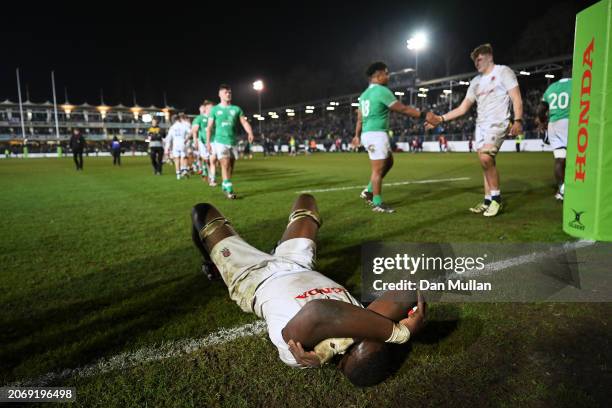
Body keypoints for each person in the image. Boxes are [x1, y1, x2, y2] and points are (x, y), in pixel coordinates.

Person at [190, 194, 427, 386]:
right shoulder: (368, 323)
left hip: (252, 277)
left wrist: (399, 334)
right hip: (297, 262)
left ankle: (212, 265)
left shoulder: (301, 352)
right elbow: (412, 284)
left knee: (203, 213)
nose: (356, 334)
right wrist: (407, 319)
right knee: (306, 202)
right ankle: (278, 248)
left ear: (342, 363)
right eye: (366, 335)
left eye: (354, 342)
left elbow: (320, 311)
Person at [427, 44, 524, 217]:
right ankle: (487, 200)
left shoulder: (503, 72)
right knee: (485, 163)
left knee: (486, 157)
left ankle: (496, 199)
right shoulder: (475, 82)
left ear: (489, 56)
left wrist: (517, 120)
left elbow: (516, 98)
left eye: (479, 59)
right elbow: (463, 108)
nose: (476, 63)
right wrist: (440, 119)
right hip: (481, 125)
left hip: (498, 122)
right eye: (474, 61)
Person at [352, 61, 436, 213]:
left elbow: (359, 118)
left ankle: (369, 190)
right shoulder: (381, 91)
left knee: (389, 161)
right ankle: (377, 202)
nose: (388, 76)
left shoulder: (364, 95)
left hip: (367, 133)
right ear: (377, 76)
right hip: (377, 134)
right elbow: (402, 109)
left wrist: (357, 135)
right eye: (386, 73)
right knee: (377, 170)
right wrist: (424, 115)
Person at [206, 84, 255, 199]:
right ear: (220, 94)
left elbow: (244, 122)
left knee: (231, 166)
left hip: (233, 141)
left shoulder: (236, 109)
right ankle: (229, 189)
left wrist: (250, 132)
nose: (228, 94)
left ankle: (225, 183)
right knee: (225, 162)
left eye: (229, 92)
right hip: (219, 141)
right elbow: (209, 127)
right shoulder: (214, 110)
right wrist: (208, 142)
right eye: (225, 92)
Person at [537, 72, 572, 201]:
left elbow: (540, 110)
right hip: (569, 122)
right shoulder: (576, 84)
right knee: (574, 158)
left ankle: (562, 190)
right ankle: (576, 187)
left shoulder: (551, 87)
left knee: (559, 159)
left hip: (553, 124)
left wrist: (543, 122)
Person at [192, 101, 215, 185]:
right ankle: (206, 171)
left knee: (213, 160)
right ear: (205, 109)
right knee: (207, 159)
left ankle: (212, 178)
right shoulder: (199, 118)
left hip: (214, 141)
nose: (212, 109)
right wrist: (195, 140)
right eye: (210, 108)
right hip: (203, 141)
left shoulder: (214, 117)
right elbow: (195, 130)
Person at [165, 114, 191, 180]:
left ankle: (178, 174)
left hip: (175, 144)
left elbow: (169, 138)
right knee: (183, 157)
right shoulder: (184, 125)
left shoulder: (172, 127)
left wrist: (167, 148)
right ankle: (183, 169)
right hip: (182, 143)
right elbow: (190, 133)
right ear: (178, 119)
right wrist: (187, 139)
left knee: (176, 159)